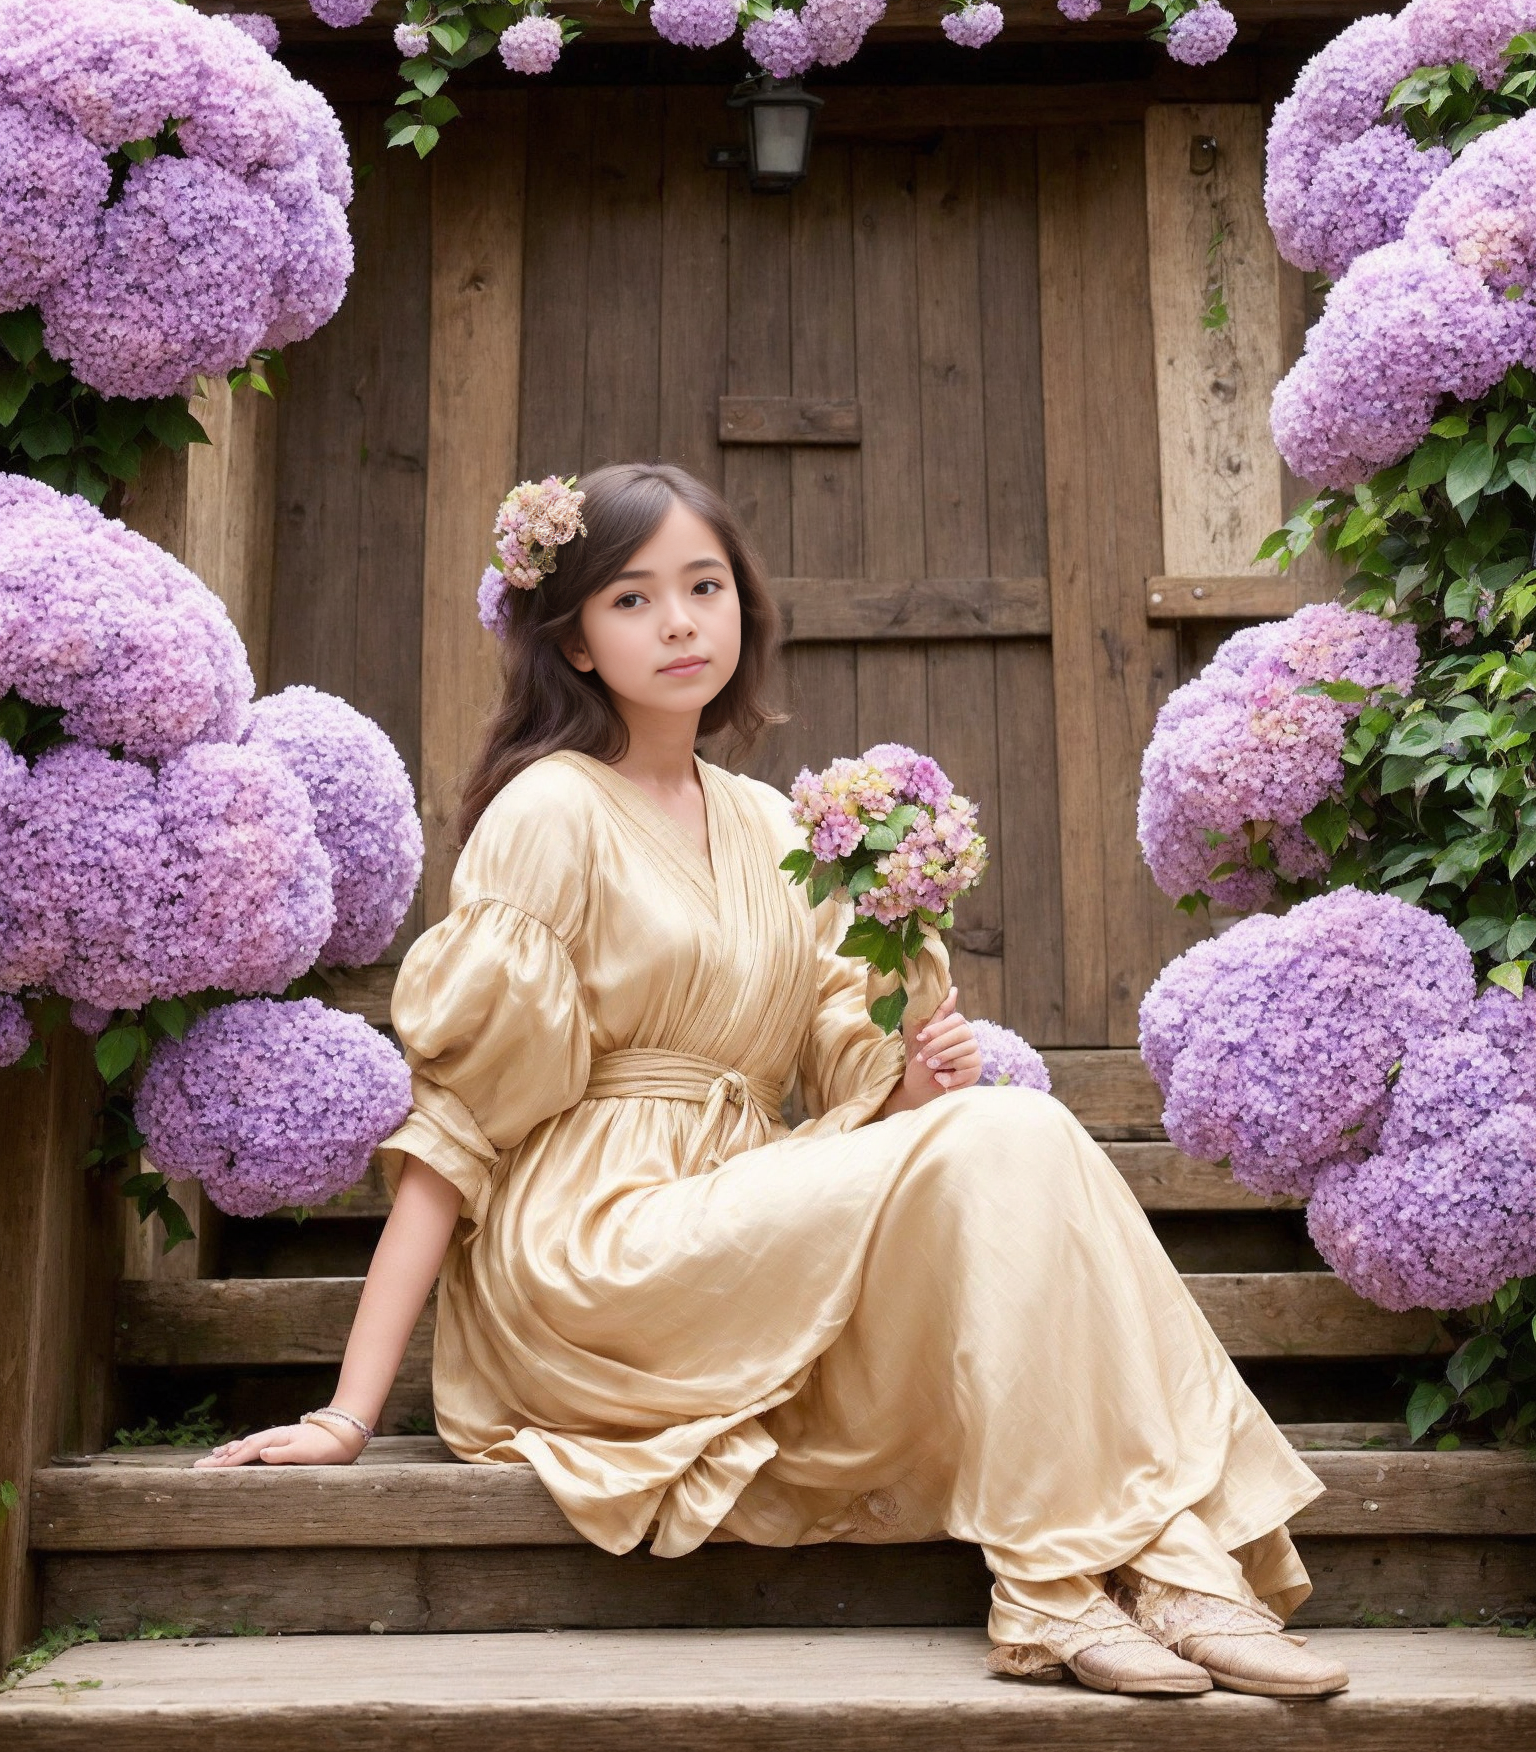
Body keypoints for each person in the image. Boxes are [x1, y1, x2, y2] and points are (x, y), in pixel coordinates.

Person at [198, 461, 1348, 1701]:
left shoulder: (781, 828)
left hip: (740, 1214)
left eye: (705, 586)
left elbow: (845, 1074)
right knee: (1001, 1144)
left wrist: (912, 1072)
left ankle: (1154, 1568)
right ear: (576, 641)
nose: (680, 621)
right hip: (593, 1248)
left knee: (1006, 1127)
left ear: (743, 608)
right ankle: (1077, 1584)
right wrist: (350, 1414)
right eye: (632, 600)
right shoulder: (549, 810)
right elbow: (458, 1125)